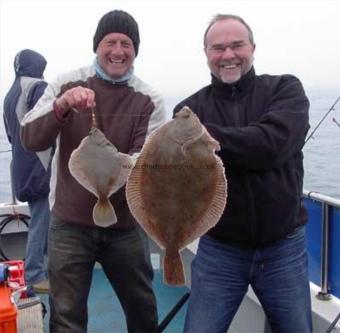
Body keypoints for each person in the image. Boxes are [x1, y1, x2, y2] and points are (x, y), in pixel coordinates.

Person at [20, 9, 165, 333]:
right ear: (97, 45)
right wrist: (62, 106)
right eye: (110, 41)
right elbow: (29, 137)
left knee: (143, 309)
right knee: (66, 317)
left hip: (126, 224)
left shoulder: (149, 99)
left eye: (126, 43)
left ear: (135, 50)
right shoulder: (65, 83)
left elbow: (146, 161)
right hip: (69, 223)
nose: (118, 51)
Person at [173, 14, 312, 333]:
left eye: (237, 45)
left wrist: (203, 136)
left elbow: (273, 144)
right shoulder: (187, 109)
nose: (228, 55)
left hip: (283, 248)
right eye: (218, 47)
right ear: (206, 53)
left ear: (252, 47)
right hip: (219, 249)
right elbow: (182, 177)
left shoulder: (285, 89)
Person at [3, 49, 52, 295]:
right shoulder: (38, 87)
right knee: (42, 220)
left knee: (39, 217)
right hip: (40, 164)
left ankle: (40, 271)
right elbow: (50, 125)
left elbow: (11, 135)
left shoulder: (10, 93)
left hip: (21, 166)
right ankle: (35, 275)